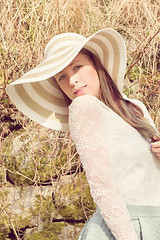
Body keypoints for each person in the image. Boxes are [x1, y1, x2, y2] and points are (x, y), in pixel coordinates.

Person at [6, 28, 160, 239]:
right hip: (123, 230)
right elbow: (102, 186)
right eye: (62, 77)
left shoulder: (136, 108)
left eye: (77, 67)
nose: (71, 81)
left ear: (96, 64)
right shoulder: (83, 108)